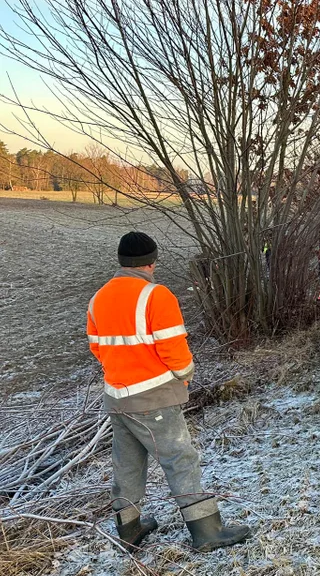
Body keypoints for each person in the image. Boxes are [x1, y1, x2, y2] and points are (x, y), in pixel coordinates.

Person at [87, 232, 251, 553]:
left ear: (122, 262)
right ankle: (207, 531)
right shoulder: (156, 296)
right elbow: (176, 352)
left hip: (117, 398)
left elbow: (98, 348)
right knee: (181, 459)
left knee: (127, 463)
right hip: (153, 397)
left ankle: (129, 528)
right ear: (151, 262)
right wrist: (184, 377)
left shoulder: (98, 299)